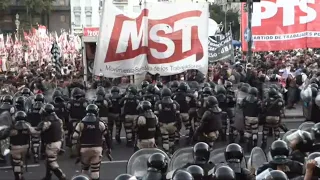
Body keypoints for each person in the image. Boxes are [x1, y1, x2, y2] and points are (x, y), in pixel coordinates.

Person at [72, 104, 111, 180]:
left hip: (84, 149)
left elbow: (75, 136)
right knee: (95, 170)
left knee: (84, 169)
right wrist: (108, 148)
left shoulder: (81, 123)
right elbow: (107, 136)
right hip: (97, 148)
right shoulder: (100, 123)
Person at [34, 104, 66, 180]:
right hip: (57, 142)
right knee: (47, 161)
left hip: (51, 144)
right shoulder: (59, 120)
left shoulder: (48, 122)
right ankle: (48, 176)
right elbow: (62, 133)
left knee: (51, 161)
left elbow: (37, 132)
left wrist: (27, 128)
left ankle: (61, 176)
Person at [154, 88, 181, 154]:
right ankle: (171, 153)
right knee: (171, 139)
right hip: (173, 124)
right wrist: (178, 125)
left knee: (165, 140)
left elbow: (155, 116)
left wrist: (157, 126)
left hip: (163, 125)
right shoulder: (175, 103)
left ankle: (166, 153)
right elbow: (178, 116)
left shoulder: (158, 103)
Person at [9, 111, 32, 180]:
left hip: (15, 147)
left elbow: (6, 134)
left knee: (16, 162)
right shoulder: (28, 125)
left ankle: (18, 176)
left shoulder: (12, 126)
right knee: (21, 160)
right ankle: (20, 175)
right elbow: (33, 133)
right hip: (26, 146)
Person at [27, 93, 45, 163]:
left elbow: (27, 117)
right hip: (43, 127)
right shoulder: (44, 107)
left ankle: (35, 155)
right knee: (45, 140)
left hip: (33, 127)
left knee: (34, 142)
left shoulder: (30, 107)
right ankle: (43, 153)